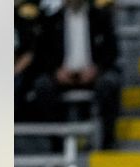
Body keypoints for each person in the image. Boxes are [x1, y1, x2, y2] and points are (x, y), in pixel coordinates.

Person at [31, 0, 122, 149]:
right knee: (42, 85)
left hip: (93, 73)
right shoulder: (51, 19)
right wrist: (56, 71)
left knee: (110, 82)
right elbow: (41, 54)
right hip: (62, 74)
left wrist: (96, 69)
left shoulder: (101, 17)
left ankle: (107, 140)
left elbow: (112, 51)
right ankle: (57, 142)